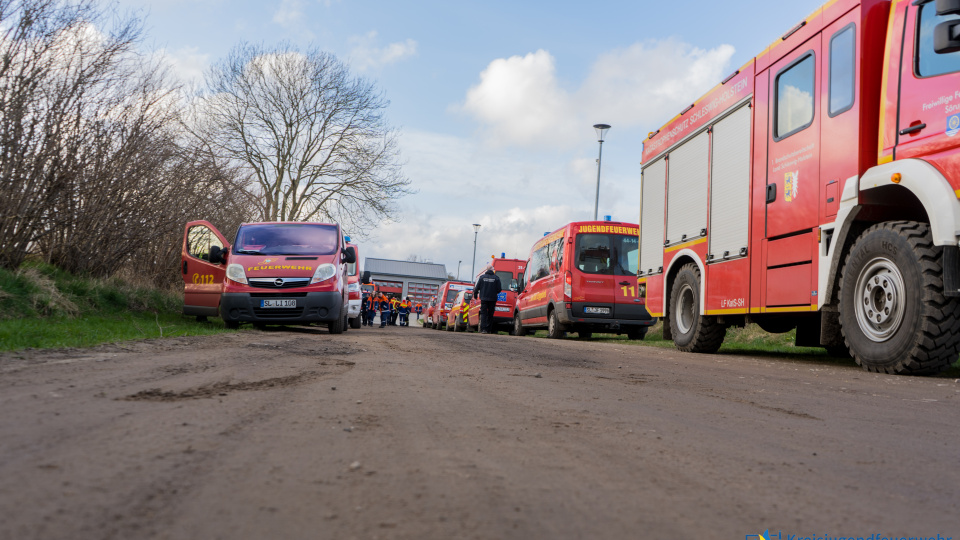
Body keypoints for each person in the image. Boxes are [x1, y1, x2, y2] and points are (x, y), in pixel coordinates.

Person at [473, 266, 502, 334]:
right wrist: (494, 292)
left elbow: (477, 288)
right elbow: (499, 289)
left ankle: (483, 329)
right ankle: (489, 329)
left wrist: (475, 295)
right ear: (492, 270)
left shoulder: (482, 277)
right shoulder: (496, 278)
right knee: (490, 314)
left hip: (484, 298)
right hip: (492, 299)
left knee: (483, 314)